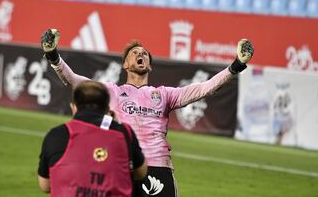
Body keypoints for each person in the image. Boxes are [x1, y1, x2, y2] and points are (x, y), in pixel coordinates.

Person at [40, 29, 254, 197]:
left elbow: (204, 88)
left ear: (150, 65)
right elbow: (76, 82)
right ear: (125, 64)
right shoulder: (112, 91)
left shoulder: (164, 94)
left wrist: (235, 66)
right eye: (135, 53)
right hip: (124, 165)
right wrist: (53, 56)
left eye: (144, 54)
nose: (140, 55)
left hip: (158, 167)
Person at [37, 80, 147, 196]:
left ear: (73, 107)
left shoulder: (56, 135)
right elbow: (140, 172)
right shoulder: (124, 132)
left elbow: (45, 186)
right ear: (107, 108)